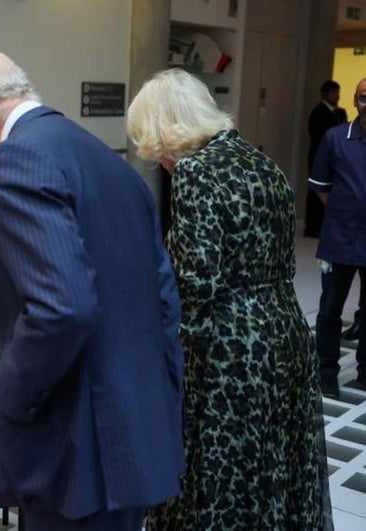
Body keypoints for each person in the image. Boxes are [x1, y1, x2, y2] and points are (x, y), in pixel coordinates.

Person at [0, 50, 185, 530]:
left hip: (73, 440)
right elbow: (163, 296)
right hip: (137, 424)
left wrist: (9, 393)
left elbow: (64, 308)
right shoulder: (112, 163)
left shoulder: (10, 162)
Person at [127, 68, 332, 530]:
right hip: (284, 335)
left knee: (219, 480)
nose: (160, 162)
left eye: (156, 149)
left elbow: (196, 286)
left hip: (230, 352)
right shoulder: (262, 162)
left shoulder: (196, 172)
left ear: (169, 131)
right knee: (271, 471)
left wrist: (167, 366)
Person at [309, 77, 366, 397]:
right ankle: (326, 372)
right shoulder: (335, 138)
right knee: (330, 309)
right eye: (363, 98)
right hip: (339, 239)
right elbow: (320, 186)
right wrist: (347, 213)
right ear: (355, 101)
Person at [305, 80, 348, 238]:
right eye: (333, 93)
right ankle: (312, 227)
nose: (337, 96)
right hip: (319, 156)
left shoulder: (340, 112)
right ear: (325, 94)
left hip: (336, 158)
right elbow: (318, 136)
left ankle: (326, 226)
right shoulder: (318, 112)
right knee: (316, 190)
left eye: (338, 93)